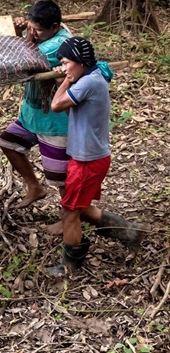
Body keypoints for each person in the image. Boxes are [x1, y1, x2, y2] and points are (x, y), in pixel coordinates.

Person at [48, 37, 144, 275]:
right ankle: (129, 230)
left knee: (69, 211)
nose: (63, 65)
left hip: (88, 161)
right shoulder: (90, 77)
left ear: (81, 62)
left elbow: (57, 105)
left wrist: (66, 81)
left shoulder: (88, 82)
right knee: (79, 207)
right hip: (87, 157)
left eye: (66, 61)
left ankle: (70, 265)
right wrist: (69, 78)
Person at [0, 0, 71, 210]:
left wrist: (26, 37)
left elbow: (20, 59)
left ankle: (69, 222)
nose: (34, 33)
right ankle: (34, 187)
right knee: (8, 143)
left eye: (38, 30)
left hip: (55, 121)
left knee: (60, 177)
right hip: (32, 115)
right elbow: (16, 49)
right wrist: (19, 32)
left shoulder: (59, 45)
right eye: (31, 28)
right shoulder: (41, 39)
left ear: (55, 27)